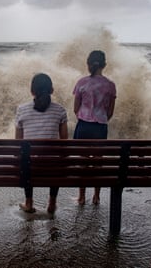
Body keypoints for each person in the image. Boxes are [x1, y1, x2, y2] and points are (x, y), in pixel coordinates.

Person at [15, 73, 68, 214]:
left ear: (32, 91)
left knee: (26, 156)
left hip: (30, 167)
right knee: (57, 158)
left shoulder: (21, 110)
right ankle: (52, 203)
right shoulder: (60, 110)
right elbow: (64, 143)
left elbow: (18, 143)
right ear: (52, 90)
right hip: (53, 167)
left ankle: (29, 202)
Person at [73, 50, 116, 205]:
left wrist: (85, 117)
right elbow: (110, 112)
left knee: (83, 162)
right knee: (98, 162)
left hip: (83, 125)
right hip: (100, 127)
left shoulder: (81, 82)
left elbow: (75, 108)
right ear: (104, 65)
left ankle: (81, 197)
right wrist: (100, 118)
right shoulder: (110, 85)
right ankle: (96, 197)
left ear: (88, 64)